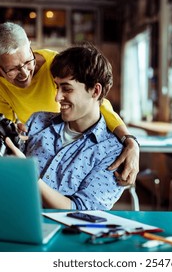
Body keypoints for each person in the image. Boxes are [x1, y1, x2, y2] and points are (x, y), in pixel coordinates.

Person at [0, 22, 139, 185]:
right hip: (37, 149)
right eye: (12, 69)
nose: (24, 73)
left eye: (28, 61)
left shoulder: (54, 64)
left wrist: (129, 141)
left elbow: (97, 101)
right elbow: (7, 129)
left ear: (30, 47)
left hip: (71, 142)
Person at [7, 43, 124, 210]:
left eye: (66, 89)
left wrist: (28, 174)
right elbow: (4, 176)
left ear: (95, 91)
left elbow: (82, 210)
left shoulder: (113, 152)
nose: (57, 97)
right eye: (56, 87)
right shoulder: (37, 121)